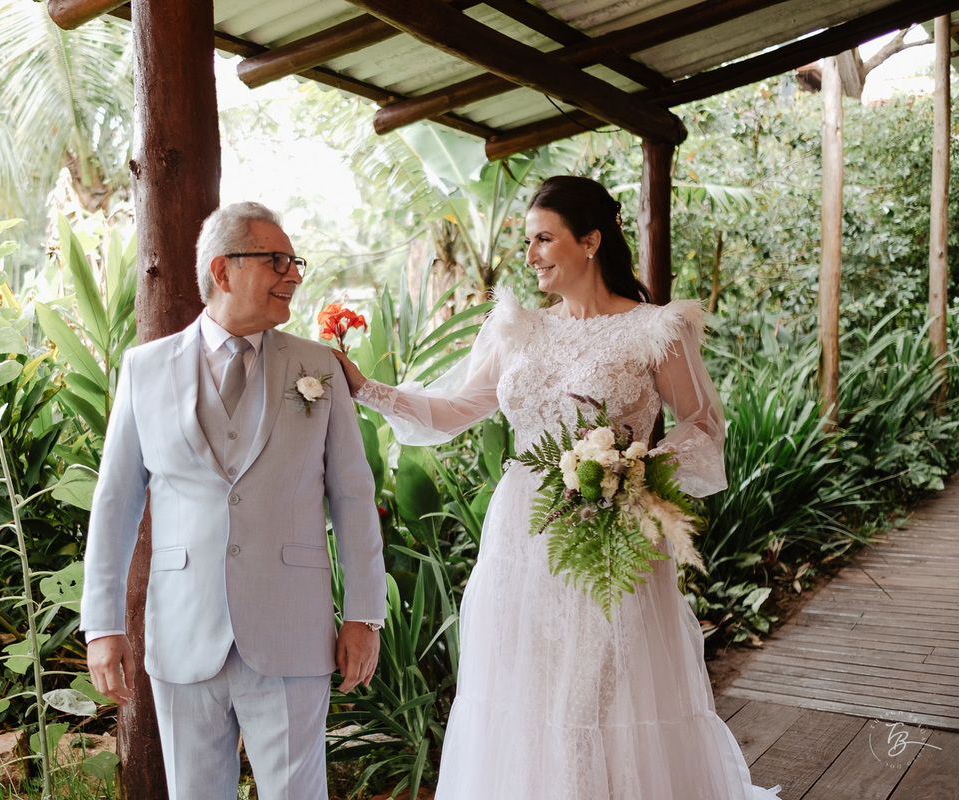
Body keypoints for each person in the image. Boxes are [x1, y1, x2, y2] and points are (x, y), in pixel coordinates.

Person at [332, 176, 781, 799]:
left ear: (591, 241)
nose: (532, 253)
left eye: (545, 238)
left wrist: (638, 472)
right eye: (528, 241)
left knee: (605, 691)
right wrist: (366, 389)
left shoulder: (654, 328)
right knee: (527, 686)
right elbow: (457, 406)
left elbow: (703, 427)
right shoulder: (518, 327)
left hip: (612, 530)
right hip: (524, 531)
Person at [81, 201, 387, 800]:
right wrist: (102, 624)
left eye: (294, 261)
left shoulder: (318, 367)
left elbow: (353, 495)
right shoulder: (144, 369)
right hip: (182, 628)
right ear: (222, 271)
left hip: (291, 629)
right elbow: (115, 501)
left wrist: (363, 613)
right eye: (276, 260)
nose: (294, 274)